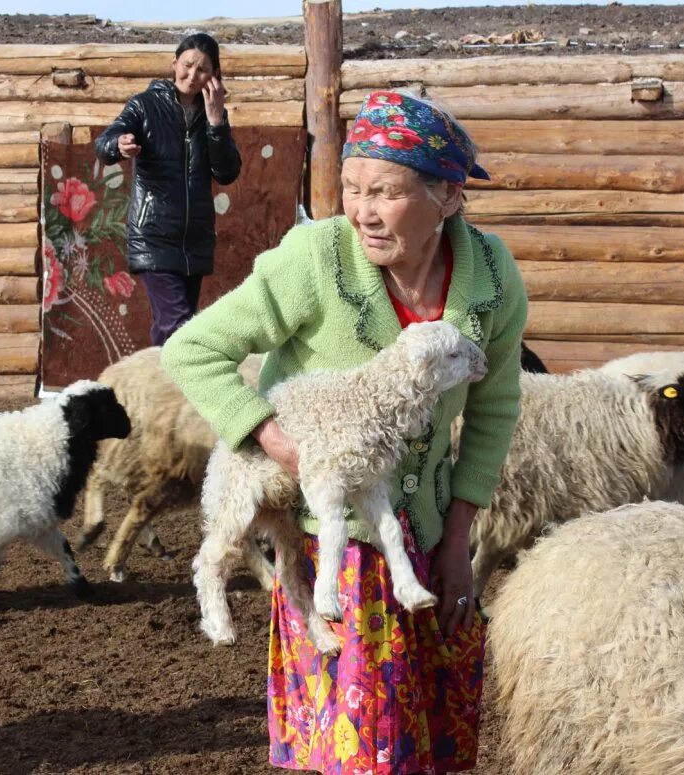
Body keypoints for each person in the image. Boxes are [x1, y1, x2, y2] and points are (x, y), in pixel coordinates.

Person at [162, 90, 527, 774]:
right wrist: (278, 443)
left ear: (446, 197)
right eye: (353, 189)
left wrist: (457, 540)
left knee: (431, 750)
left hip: (425, 535)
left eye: (385, 192)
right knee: (359, 750)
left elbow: (494, 407)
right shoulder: (317, 259)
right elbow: (192, 350)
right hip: (340, 549)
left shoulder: (492, 279)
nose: (362, 210)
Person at [95, 32, 242, 346]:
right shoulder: (145, 106)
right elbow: (104, 143)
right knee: (175, 326)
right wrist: (119, 145)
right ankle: (167, 389)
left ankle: (160, 388)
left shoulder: (212, 114)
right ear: (174, 63)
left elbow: (227, 172)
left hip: (195, 239)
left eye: (202, 69)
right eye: (187, 65)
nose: (192, 75)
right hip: (154, 235)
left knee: (179, 329)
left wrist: (216, 122)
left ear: (214, 74)